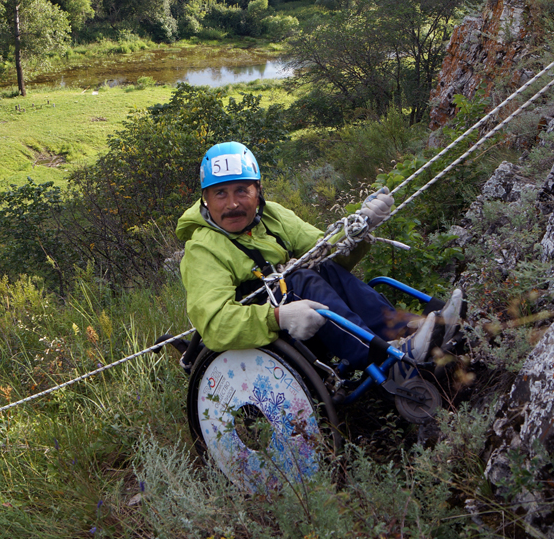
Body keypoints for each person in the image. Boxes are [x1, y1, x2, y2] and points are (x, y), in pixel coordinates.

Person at [176, 141, 462, 380]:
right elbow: (215, 325)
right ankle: (388, 361)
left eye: (242, 190)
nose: (233, 204)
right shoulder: (202, 249)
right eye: (220, 193)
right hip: (263, 329)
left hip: (298, 316)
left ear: (258, 190)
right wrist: (278, 317)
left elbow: (327, 252)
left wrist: (360, 229)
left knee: (322, 267)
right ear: (205, 199)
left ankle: (411, 331)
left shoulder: (273, 216)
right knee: (298, 280)